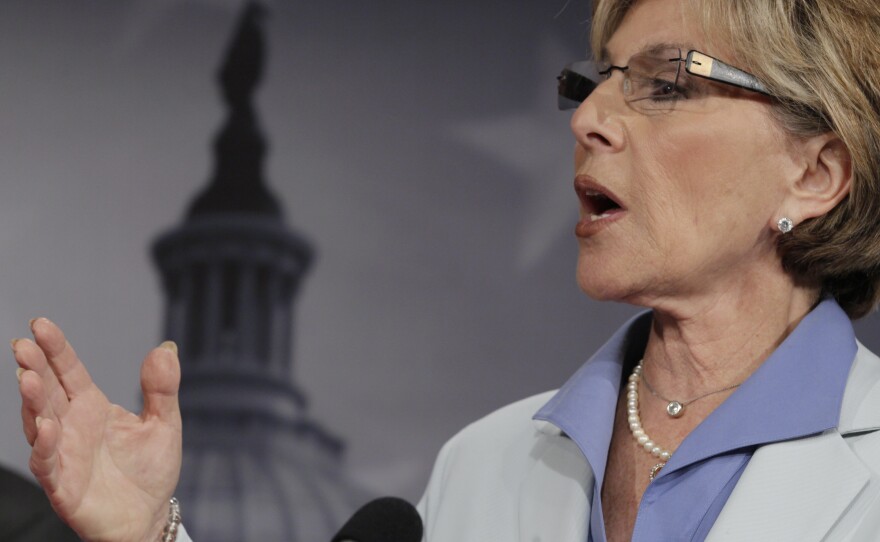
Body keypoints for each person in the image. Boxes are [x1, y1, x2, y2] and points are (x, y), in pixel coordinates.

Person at [13, 0, 880, 540]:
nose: (591, 119)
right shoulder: (485, 462)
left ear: (816, 173)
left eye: (665, 84)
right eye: (596, 81)